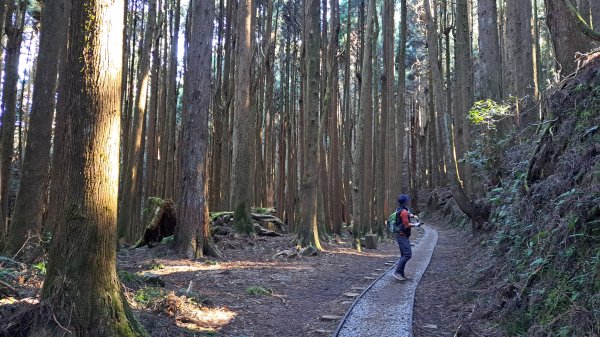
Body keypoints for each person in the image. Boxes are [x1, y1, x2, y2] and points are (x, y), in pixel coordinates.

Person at [393, 194, 420, 281]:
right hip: (402, 236)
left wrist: (412, 216)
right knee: (408, 254)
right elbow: (407, 225)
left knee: (403, 255)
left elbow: (407, 214)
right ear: (405, 202)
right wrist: (416, 224)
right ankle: (397, 272)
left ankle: (401, 274)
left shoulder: (400, 209)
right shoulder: (403, 212)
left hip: (401, 235)